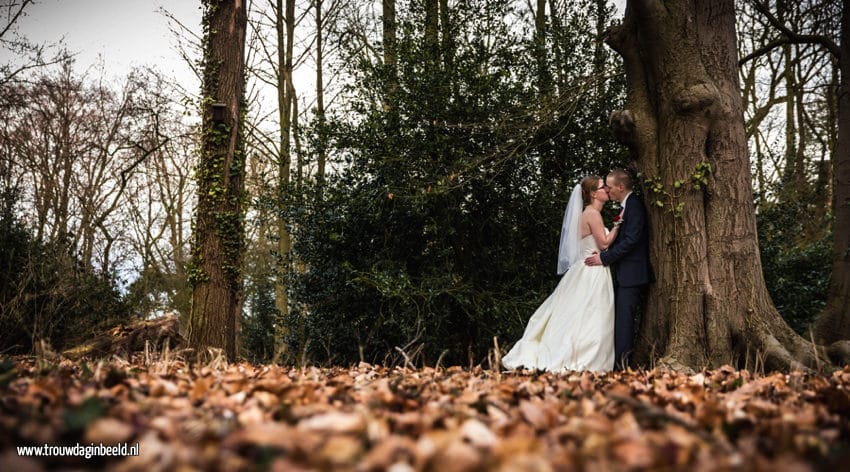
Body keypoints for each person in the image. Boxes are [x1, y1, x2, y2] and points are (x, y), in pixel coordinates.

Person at [502, 176, 619, 372]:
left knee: (581, 316)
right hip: (591, 271)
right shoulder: (592, 214)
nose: (606, 189)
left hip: (588, 268)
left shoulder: (589, 213)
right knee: (593, 315)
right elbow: (604, 243)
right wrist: (618, 225)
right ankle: (584, 359)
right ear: (593, 194)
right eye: (602, 187)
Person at [584, 169, 653, 370]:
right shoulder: (627, 206)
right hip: (625, 273)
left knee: (624, 323)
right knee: (621, 321)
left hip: (633, 275)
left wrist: (604, 258)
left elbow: (631, 240)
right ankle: (620, 364)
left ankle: (621, 367)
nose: (608, 190)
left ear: (621, 187)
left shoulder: (634, 206)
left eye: (610, 187)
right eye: (604, 187)